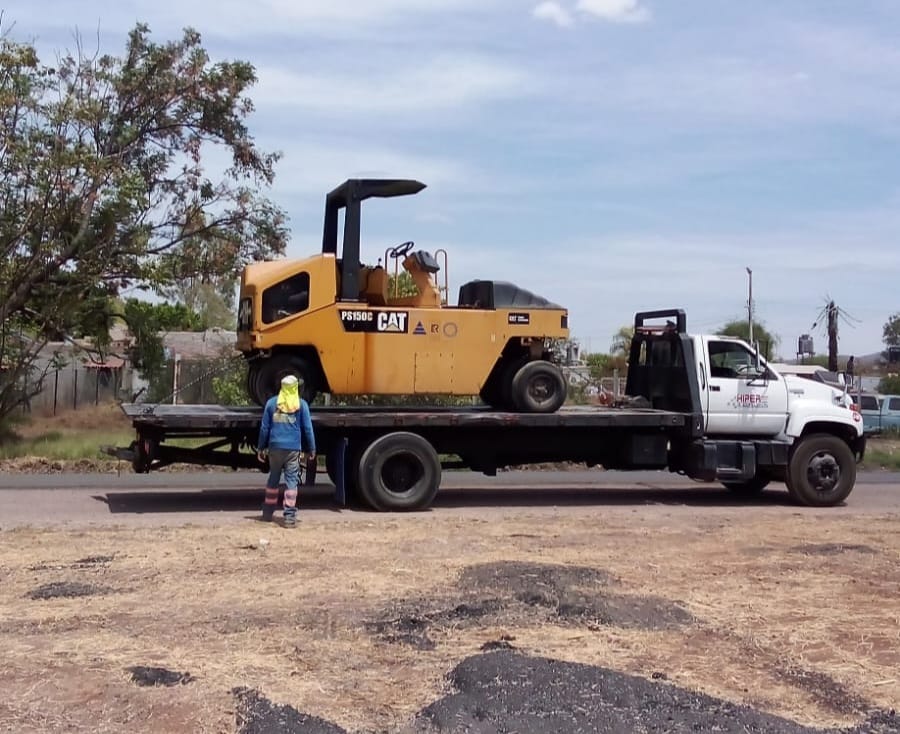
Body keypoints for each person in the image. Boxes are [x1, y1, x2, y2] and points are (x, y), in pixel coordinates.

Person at [257, 374, 316, 527]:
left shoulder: (271, 404)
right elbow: (308, 429)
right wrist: (312, 448)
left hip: (275, 448)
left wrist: (261, 447)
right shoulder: (301, 405)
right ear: (295, 388)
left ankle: (268, 513)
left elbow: (264, 428)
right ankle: (289, 517)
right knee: (291, 482)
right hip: (293, 449)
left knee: (273, 479)